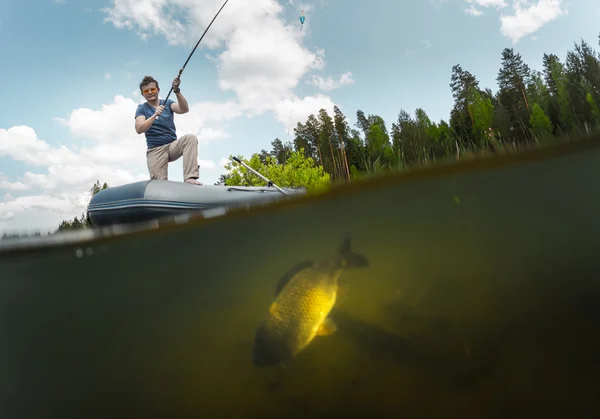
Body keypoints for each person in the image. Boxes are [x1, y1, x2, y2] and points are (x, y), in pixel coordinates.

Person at [134, 75, 202, 185]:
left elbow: (184, 109)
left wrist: (177, 91)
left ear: (158, 90)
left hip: (172, 146)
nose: (150, 92)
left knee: (190, 138)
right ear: (142, 94)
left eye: (153, 89)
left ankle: (190, 177)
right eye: (146, 91)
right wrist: (154, 115)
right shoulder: (141, 108)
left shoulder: (168, 103)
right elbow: (139, 128)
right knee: (159, 185)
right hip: (155, 150)